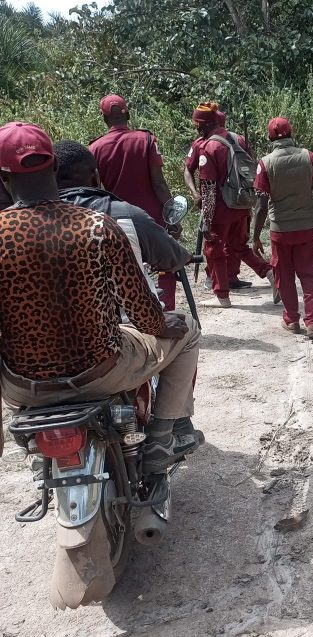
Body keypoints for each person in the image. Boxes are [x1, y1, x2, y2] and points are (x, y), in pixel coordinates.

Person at [0, 121, 201, 471]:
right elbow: (141, 310)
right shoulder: (95, 225)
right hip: (101, 372)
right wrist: (163, 323)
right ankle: (160, 438)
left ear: (3, 178)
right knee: (187, 331)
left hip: (22, 386)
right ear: (54, 166)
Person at [54, 139, 192, 286]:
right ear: (95, 177)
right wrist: (185, 256)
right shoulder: (128, 215)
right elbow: (171, 257)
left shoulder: (30, 222)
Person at [89, 94, 179, 309]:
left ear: (104, 118)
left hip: (116, 223)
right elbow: (159, 184)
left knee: (126, 270)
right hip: (152, 219)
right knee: (166, 264)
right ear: (127, 113)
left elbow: (96, 190)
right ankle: (167, 310)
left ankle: (135, 316)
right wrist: (173, 215)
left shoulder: (94, 148)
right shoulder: (146, 140)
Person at [252, 117, 313, 341]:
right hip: (306, 228)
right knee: (309, 274)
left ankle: (291, 319)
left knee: (283, 275)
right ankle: (312, 322)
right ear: (291, 133)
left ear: (270, 137)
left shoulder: (265, 163)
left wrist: (255, 236)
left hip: (280, 231)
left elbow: (260, 205)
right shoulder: (309, 157)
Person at [192, 101, 273, 308]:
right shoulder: (238, 139)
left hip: (221, 208)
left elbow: (208, 187)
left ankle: (222, 296)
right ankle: (271, 274)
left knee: (214, 249)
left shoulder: (209, 147)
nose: (197, 129)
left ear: (203, 125)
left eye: (197, 125)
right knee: (239, 246)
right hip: (242, 204)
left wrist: (207, 220)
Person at [184, 107, 253, 292]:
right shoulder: (203, 143)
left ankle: (225, 281)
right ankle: (215, 278)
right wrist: (196, 194)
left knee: (225, 244)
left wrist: (206, 209)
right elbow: (190, 171)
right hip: (235, 202)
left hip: (226, 203)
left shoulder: (223, 142)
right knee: (225, 244)